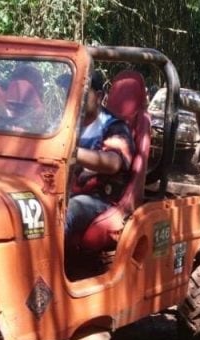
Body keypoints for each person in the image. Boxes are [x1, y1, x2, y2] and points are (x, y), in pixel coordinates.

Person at [65, 70, 135, 253]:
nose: (75, 96)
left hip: (99, 197)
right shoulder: (67, 123)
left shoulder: (114, 126)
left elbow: (114, 162)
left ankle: (43, 274)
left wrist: (72, 152)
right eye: (72, 90)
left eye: (82, 91)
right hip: (61, 190)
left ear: (98, 96)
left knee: (63, 213)